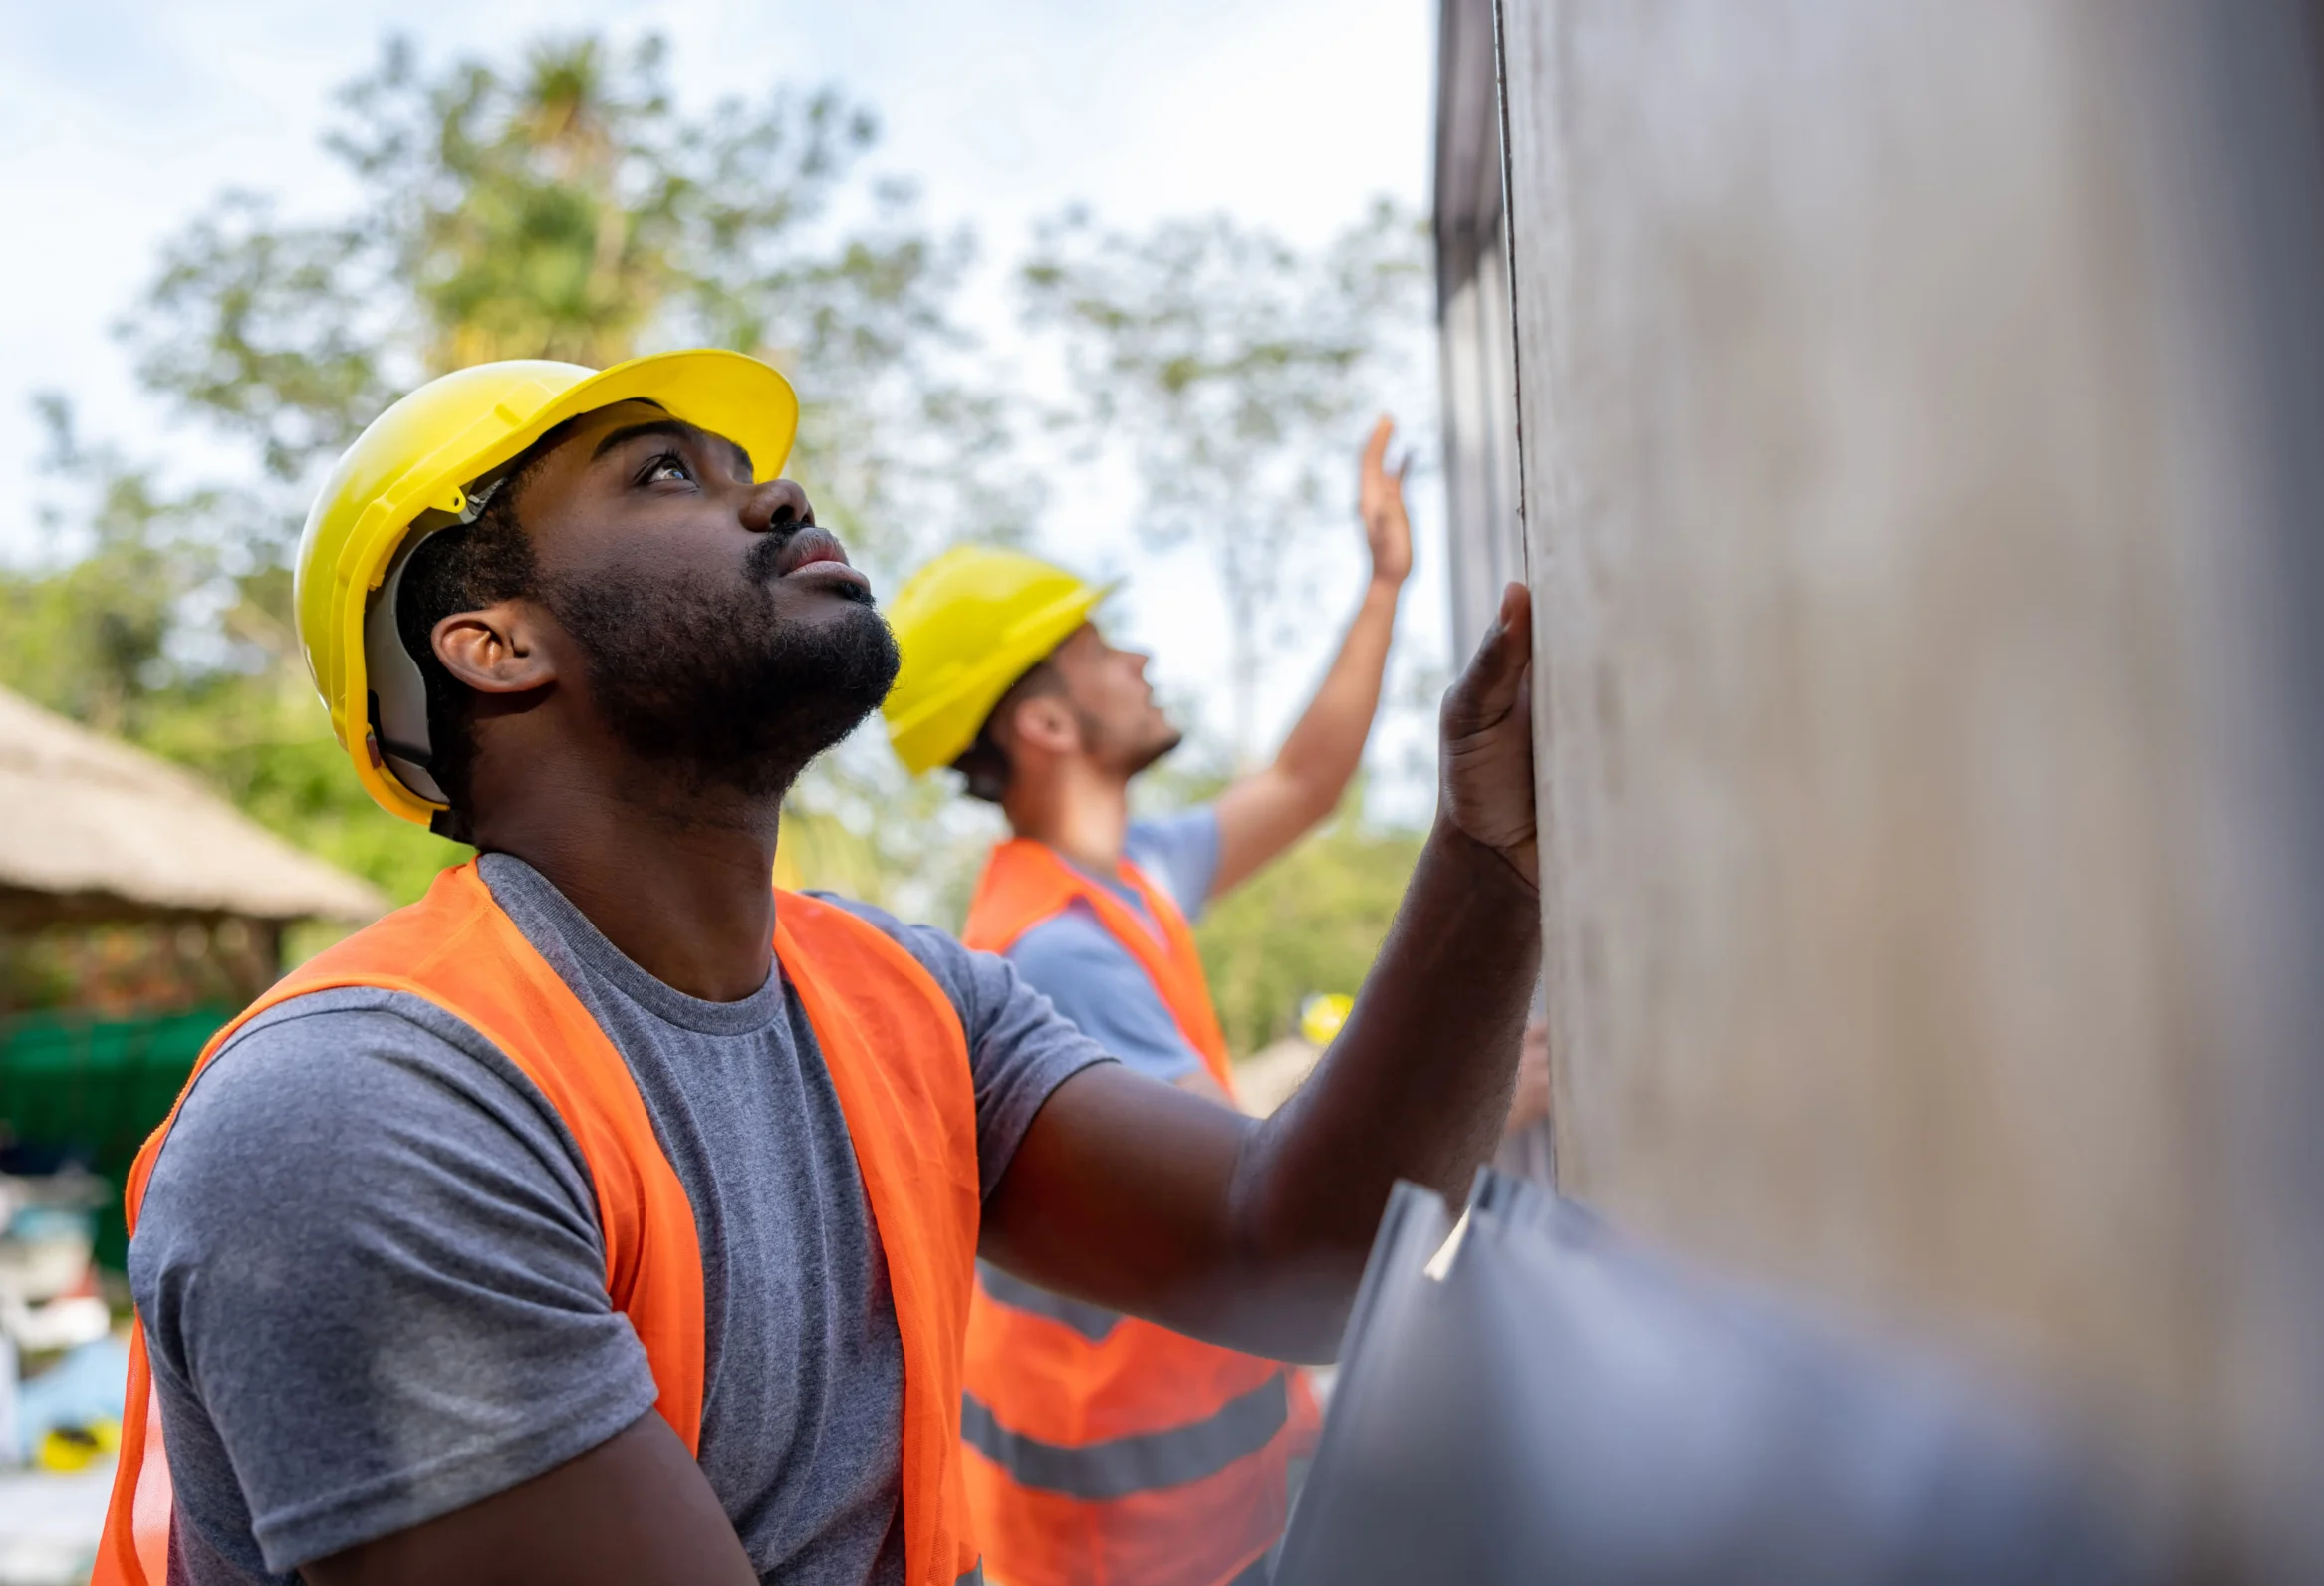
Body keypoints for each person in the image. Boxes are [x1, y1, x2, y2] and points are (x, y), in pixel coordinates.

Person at [93, 351, 1542, 1586]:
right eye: (664, 473)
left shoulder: (903, 999)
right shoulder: (373, 1112)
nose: (780, 495)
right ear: (496, 644)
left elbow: (1289, 1252)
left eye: (749, 470)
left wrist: (1494, 865)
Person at [881, 420, 1417, 1586]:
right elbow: (1266, 1192)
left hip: (1198, 1496)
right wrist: (1457, 1080)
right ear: (1048, 725)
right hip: (1137, 1537)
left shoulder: (1118, 882)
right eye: (1101, 648)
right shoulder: (1059, 950)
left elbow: (1303, 781)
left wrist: (1382, 585)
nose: (1140, 661)